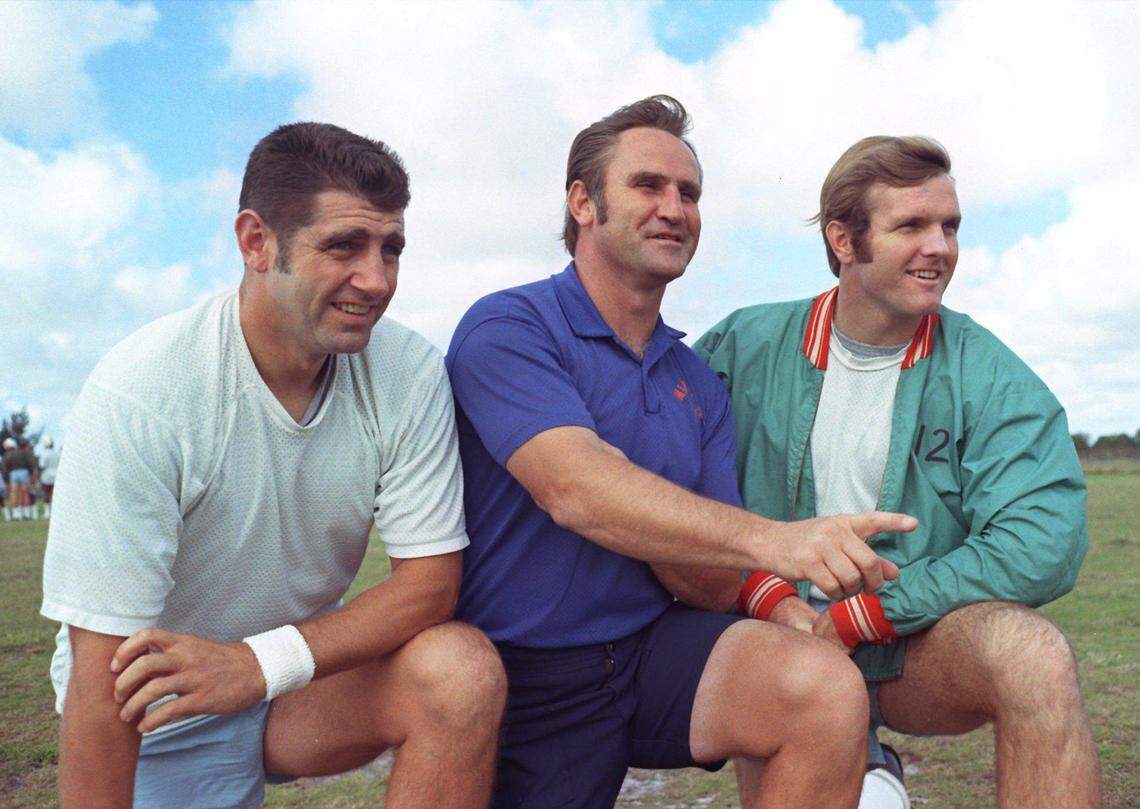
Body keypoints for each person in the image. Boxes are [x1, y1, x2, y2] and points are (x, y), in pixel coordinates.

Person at [446, 96, 918, 809]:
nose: (675, 206)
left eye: (689, 193)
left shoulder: (694, 378)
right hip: (528, 670)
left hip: (650, 648)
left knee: (820, 683)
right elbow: (573, 490)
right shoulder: (509, 326)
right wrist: (771, 539)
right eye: (648, 185)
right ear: (582, 202)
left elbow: (708, 584)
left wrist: (632, 497)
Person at [40, 123, 506, 809]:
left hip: (291, 685)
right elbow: (102, 675)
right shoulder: (146, 392)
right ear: (257, 242)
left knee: (460, 669)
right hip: (156, 713)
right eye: (343, 246)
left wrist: (254, 665)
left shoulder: (406, 370)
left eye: (391, 248)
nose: (375, 280)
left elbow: (430, 584)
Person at [695, 135, 1101, 808]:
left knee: (1033, 656)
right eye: (910, 225)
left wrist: (873, 611)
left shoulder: (989, 372)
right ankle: (854, 765)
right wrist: (764, 592)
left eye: (950, 226)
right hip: (773, 632)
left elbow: (1046, 540)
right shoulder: (741, 346)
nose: (940, 247)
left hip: (911, 641)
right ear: (844, 240)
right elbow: (678, 496)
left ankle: (863, 759)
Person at [1, 436, 37, 519]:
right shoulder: (23, 452)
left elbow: (4, 467)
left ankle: (16, 514)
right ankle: (26, 514)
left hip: (13, 474)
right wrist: (32, 474)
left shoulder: (7, 455)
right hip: (24, 473)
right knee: (25, 493)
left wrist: (6, 479)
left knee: (14, 494)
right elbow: (31, 464)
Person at [37, 436, 61, 519]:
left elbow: (42, 465)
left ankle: (48, 513)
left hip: (47, 475)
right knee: (55, 494)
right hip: (56, 474)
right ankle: (55, 512)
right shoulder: (57, 453)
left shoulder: (44, 454)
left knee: (46, 493)